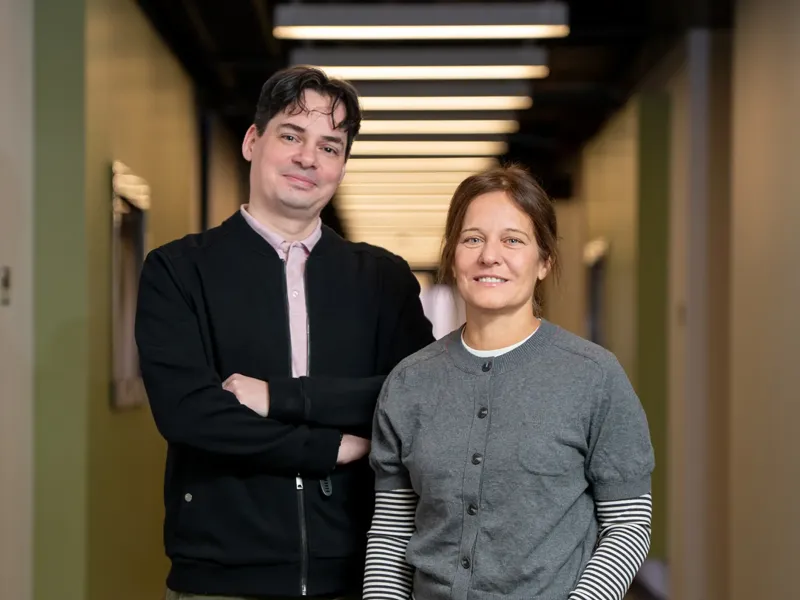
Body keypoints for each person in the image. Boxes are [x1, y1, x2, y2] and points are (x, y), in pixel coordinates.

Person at [135, 66, 434, 600]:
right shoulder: (179, 270)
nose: (307, 159)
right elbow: (191, 413)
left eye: (329, 146)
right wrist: (329, 447)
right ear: (254, 141)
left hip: (360, 575)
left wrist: (279, 397)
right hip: (220, 577)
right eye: (291, 136)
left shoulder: (383, 278)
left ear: (342, 165)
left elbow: (417, 397)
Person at [364, 165, 655, 600]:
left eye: (513, 240)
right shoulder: (408, 384)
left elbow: (628, 524)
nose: (489, 256)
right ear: (453, 255)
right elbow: (391, 531)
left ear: (544, 261)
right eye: (472, 238)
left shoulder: (594, 377)